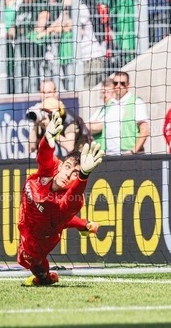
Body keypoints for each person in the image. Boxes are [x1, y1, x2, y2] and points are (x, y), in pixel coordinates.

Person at [18, 111, 104, 286]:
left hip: (42, 236)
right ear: (62, 165)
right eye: (68, 167)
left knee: (32, 262)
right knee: (58, 218)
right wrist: (47, 139)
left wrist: (83, 175)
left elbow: (69, 205)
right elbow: (44, 158)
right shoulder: (52, 168)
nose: (68, 174)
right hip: (29, 216)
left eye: (75, 174)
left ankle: (45, 277)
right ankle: (84, 225)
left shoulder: (71, 197)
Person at [107, 71, 149, 155]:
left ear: (128, 85)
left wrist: (133, 151)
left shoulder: (136, 102)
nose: (118, 86)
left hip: (129, 155)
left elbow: (144, 130)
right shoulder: (110, 104)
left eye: (122, 83)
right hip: (110, 154)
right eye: (115, 83)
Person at [87, 78, 117, 150]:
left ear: (114, 92)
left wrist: (90, 125)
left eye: (108, 92)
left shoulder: (115, 107)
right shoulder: (101, 108)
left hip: (111, 150)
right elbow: (87, 125)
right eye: (103, 92)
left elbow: (96, 127)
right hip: (99, 148)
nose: (105, 95)